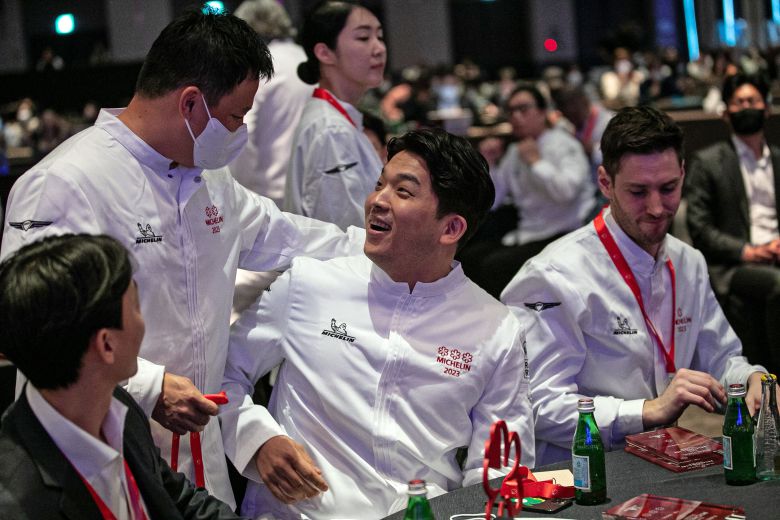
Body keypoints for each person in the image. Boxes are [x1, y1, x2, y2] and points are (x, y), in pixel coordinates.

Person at [1, 10, 361, 508]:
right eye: (235, 116)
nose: (240, 130)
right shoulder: (63, 182)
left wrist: (384, 248)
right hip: (97, 452)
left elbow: (289, 235)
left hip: (200, 455)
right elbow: (31, 327)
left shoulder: (209, 179)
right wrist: (150, 387)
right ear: (191, 103)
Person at [221, 129, 535, 519]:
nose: (377, 201)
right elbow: (223, 375)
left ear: (451, 228)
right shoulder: (310, 282)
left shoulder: (495, 327)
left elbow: (499, 470)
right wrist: (257, 440)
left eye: (402, 192)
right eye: (379, 184)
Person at [501, 106, 768, 466]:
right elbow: (538, 407)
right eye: (639, 191)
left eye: (669, 188)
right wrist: (645, 411)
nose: (657, 208)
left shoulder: (689, 262)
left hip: (658, 460)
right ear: (605, 183)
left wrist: (753, 381)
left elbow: (720, 358)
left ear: (683, 174)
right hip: (575, 472)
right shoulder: (552, 274)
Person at [0, 234, 244, 519]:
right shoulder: (17, 504)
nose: (143, 323)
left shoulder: (116, 406)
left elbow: (175, 498)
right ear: (106, 345)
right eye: (137, 308)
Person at [686, 72, 780, 375]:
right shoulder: (708, 161)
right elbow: (700, 229)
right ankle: (774, 381)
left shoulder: (778, 159)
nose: (745, 107)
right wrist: (749, 251)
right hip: (736, 264)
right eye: (738, 103)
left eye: (752, 101)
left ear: (766, 107)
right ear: (726, 113)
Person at [229, 0, 313, 320]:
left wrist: (232, 194)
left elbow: (241, 136)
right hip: (308, 196)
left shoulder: (259, 69)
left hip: (268, 199)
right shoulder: (306, 60)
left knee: (235, 305)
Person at [469, 83, 594, 298]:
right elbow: (495, 199)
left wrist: (536, 163)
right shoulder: (516, 151)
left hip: (562, 232)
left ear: (543, 112)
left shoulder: (564, 144)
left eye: (523, 109)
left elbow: (567, 192)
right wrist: (489, 163)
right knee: (469, 257)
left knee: (492, 267)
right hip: (528, 230)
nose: (516, 117)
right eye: (511, 111)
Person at [283, 0, 386, 230]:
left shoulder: (335, 119)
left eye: (380, 36)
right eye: (363, 38)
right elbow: (347, 230)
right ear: (324, 52)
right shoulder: (331, 130)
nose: (379, 48)